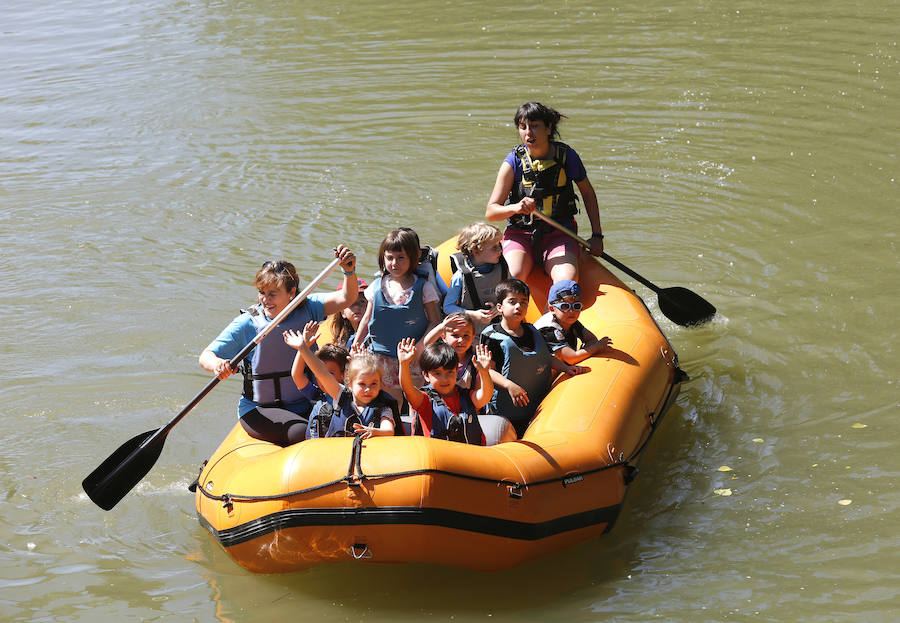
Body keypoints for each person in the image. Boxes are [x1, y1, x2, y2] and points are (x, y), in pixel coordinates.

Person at [198, 247, 359, 446]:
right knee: (304, 432)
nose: (265, 300)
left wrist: (348, 271)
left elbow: (347, 298)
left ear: (292, 293)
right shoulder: (247, 323)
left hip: (306, 400)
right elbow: (206, 356)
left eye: (273, 294)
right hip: (259, 409)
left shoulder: (308, 307)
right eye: (261, 293)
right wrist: (218, 365)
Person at [485, 101, 604, 284]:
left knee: (567, 282)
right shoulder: (512, 162)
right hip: (520, 234)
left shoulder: (567, 156)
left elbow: (588, 194)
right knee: (513, 277)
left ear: (549, 128)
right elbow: (491, 212)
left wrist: (597, 236)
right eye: (523, 127)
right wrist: (517, 207)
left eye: (534, 126)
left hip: (560, 233)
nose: (528, 133)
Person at [481, 279, 588, 437]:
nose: (519, 306)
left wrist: (566, 368)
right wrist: (509, 385)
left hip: (536, 403)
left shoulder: (531, 331)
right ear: (500, 307)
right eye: (512, 302)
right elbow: (487, 371)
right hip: (506, 409)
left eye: (524, 303)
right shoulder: (492, 337)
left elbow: (545, 358)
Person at [354, 228, 442, 403]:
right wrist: (356, 343)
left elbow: (435, 322)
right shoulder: (377, 286)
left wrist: (420, 348)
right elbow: (367, 319)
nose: (395, 263)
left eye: (401, 258)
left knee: (414, 400)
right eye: (390, 258)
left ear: (413, 258)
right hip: (381, 357)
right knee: (392, 401)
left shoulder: (423, 288)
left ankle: (415, 429)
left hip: (412, 357)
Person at [293, 322, 401, 439]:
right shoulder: (340, 397)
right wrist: (303, 348)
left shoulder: (383, 408)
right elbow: (322, 374)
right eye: (362, 384)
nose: (368, 389)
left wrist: (375, 431)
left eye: (374, 384)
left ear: (380, 384)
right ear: (349, 383)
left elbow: (389, 430)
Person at [398, 339, 493, 445]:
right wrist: (404, 364)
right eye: (437, 373)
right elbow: (408, 389)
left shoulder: (466, 396)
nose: (444, 379)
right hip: (437, 457)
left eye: (450, 372)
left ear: (457, 371)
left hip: (468, 457)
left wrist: (484, 372)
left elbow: (485, 396)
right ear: (426, 375)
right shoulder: (424, 400)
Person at [443, 222, 507, 333]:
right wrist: (473, 315)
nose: (500, 250)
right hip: (472, 332)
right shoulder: (461, 276)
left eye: (499, 245)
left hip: (498, 327)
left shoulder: (503, 269)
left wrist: (500, 308)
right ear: (476, 251)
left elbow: (515, 292)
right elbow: (448, 307)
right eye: (494, 247)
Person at [534, 280, 612, 365]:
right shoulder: (548, 329)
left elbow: (591, 339)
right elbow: (571, 359)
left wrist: (584, 353)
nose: (571, 311)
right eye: (565, 306)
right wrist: (597, 347)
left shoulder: (570, 321)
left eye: (576, 306)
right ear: (552, 309)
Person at [284, 326, 349, 402]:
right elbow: (297, 375)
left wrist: (303, 347)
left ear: (343, 375)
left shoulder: (347, 397)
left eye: (330, 373)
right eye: (318, 373)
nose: (323, 376)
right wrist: (304, 346)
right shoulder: (317, 395)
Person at [422, 312, 480, 392]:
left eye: (466, 335)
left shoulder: (476, 360)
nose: (461, 340)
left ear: (473, 336)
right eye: (455, 335)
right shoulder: (439, 354)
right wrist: (442, 327)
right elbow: (427, 343)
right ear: (443, 337)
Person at [398, 227, 449, 301]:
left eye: (402, 257)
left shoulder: (427, 267)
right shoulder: (389, 276)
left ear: (418, 254)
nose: (395, 262)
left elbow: (445, 293)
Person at [326, 277, 368, 349]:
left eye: (362, 301)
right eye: (351, 303)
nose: (357, 307)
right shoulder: (343, 339)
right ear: (342, 312)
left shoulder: (372, 336)